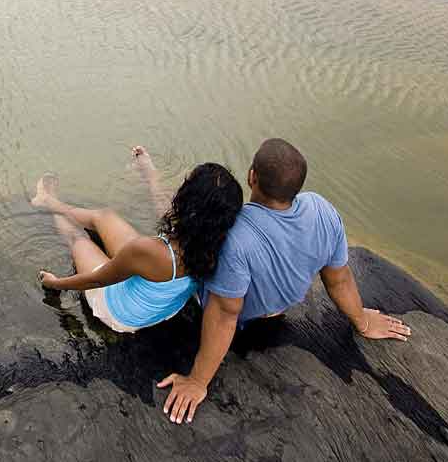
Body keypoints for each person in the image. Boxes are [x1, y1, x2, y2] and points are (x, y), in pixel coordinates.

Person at [158, 138, 413, 425]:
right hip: (278, 310)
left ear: (251, 177)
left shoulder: (236, 234)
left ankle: (147, 175)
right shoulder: (321, 209)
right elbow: (339, 278)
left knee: (180, 220)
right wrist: (362, 321)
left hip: (242, 321)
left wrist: (197, 381)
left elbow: (225, 314)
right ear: (298, 186)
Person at [33, 148, 243, 334]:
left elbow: (96, 280)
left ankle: (50, 203)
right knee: (105, 216)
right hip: (158, 305)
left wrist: (54, 283)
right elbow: (166, 210)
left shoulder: (150, 251)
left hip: (118, 311)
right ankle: (50, 202)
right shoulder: (214, 243)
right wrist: (149, 173)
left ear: (188, 200)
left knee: (79, 239)